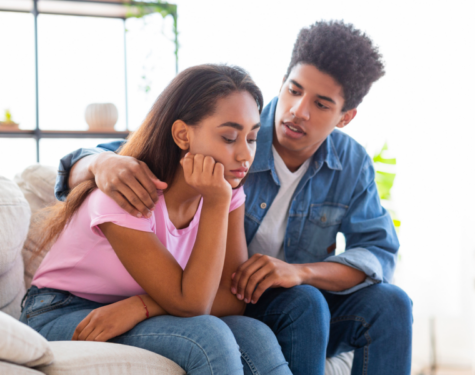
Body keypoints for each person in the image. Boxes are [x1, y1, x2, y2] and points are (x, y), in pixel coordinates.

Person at [56, 21, 413, 375]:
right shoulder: (231, 125)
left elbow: (377, 254)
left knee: (390, 303)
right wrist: (102, 163)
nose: (298, 110)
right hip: (240, 296)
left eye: (321, 104)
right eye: (294, 90)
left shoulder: (350, 163)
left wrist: (299, 272)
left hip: (269, 296)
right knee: (304, 303)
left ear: (345, 117)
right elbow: (131, 156)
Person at [20, 64, 292, 375]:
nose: (245, 155)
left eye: (253, 138)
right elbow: (192, 305)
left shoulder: (227, 190)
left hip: (137, 304)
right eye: (230, 137)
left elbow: (231, 298)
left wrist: (141, 305)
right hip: (60, 310)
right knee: (207, 338)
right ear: (182, 134)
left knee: (255, 335)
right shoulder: (126, 195)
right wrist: (217, 202)